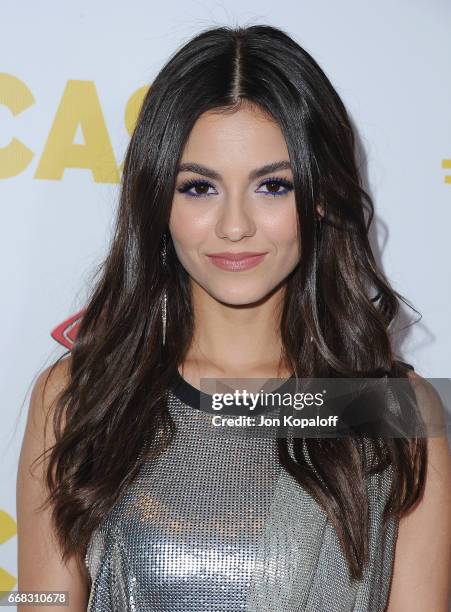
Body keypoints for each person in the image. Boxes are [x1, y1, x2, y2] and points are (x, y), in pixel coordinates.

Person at [16, 24, 451, 612]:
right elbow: (42, 599)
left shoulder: (392, 408)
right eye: (199, 188)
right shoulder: (82, 395)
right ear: (157, 200)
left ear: (320, 196)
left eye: (273, 185)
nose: (235, 225)